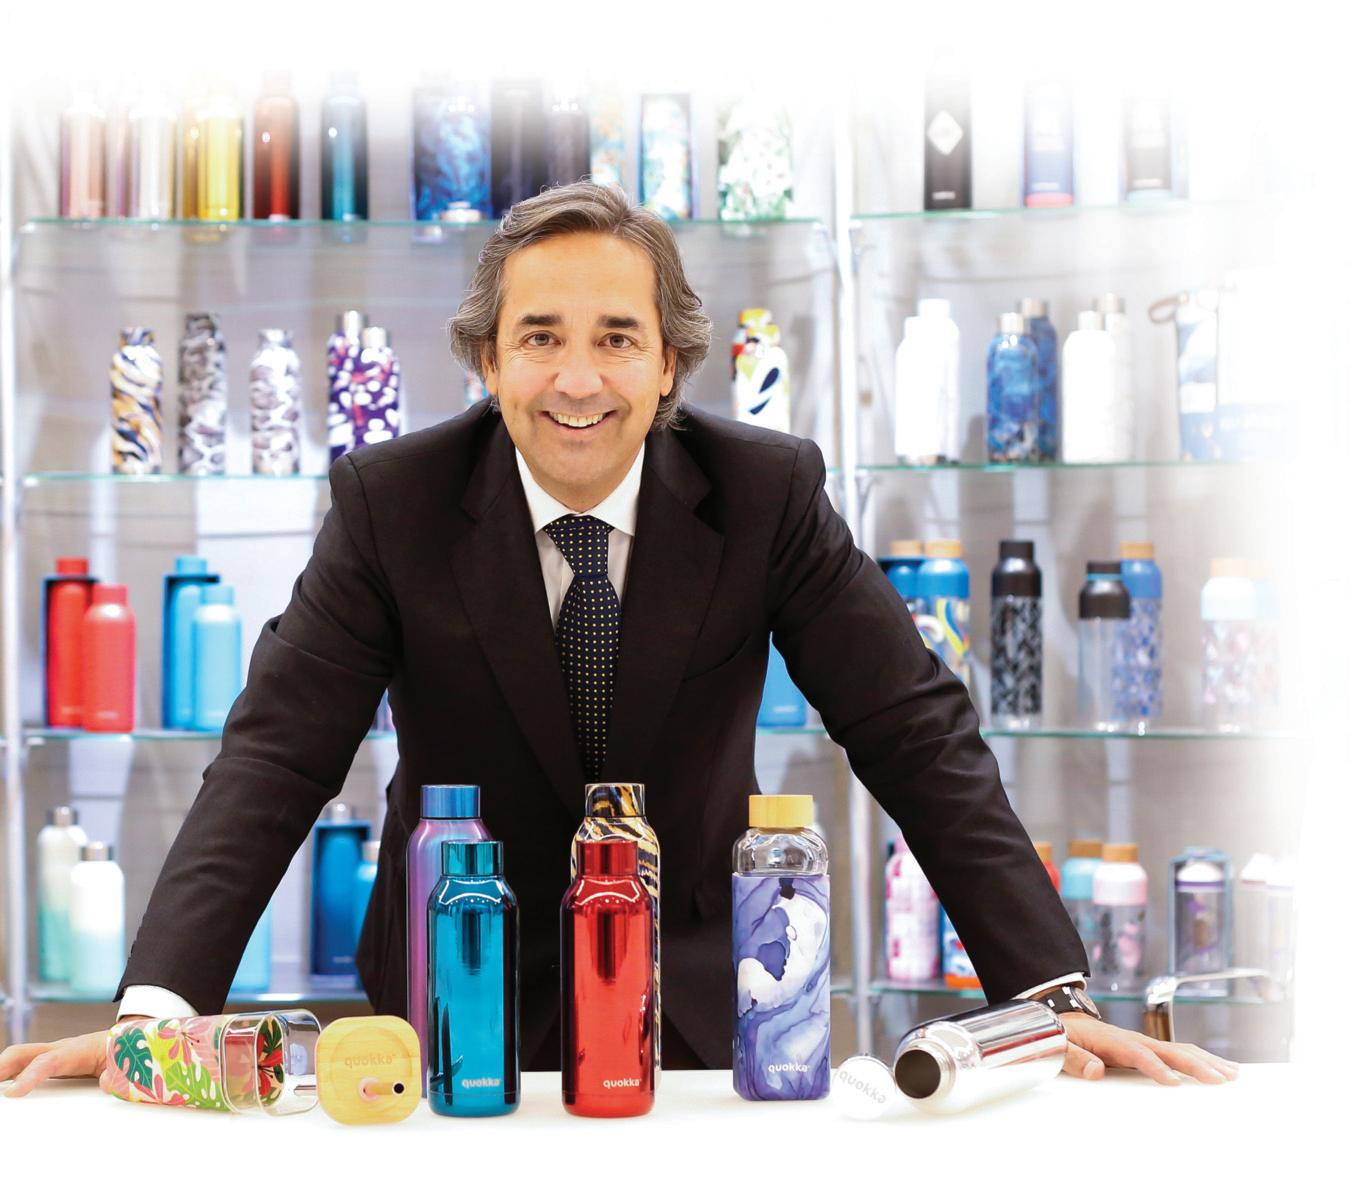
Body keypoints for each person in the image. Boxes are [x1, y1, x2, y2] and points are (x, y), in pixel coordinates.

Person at [2, 182, 1237, 1097]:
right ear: (487, 361)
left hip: (706, 996)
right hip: (453, 991)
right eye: (539, 336)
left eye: (615, 338)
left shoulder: (764, 493)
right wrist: (155, 1011)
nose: (577, 379)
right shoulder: (393, 502)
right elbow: (277, 752)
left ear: (669, 366)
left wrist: (1043, 993)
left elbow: (910, 727)